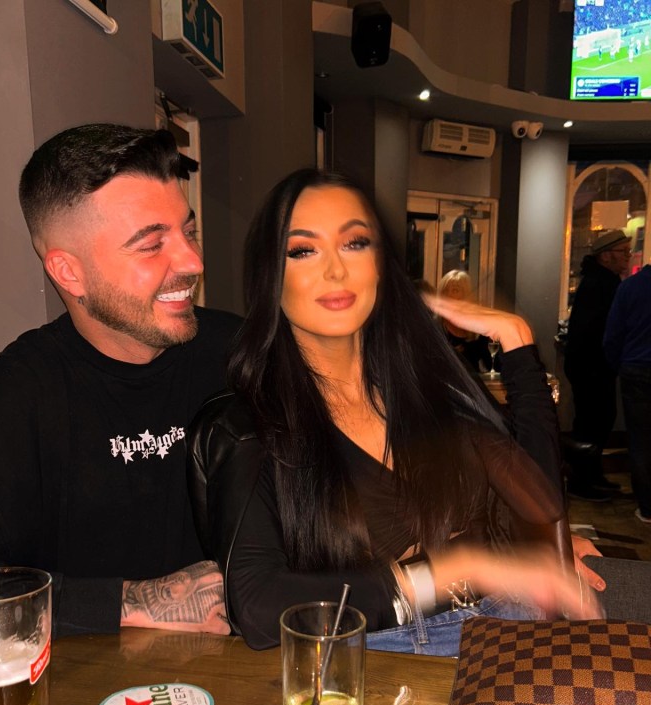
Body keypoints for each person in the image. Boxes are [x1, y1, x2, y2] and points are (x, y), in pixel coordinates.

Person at [188, 169, 600, 653]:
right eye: (302, 250)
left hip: (509, 626)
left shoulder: (426, 393)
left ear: (380, 265)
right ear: (270, 278)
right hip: (383, 658)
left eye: (355, 243)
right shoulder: (248, 426)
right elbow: (257, 607)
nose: (335, 270)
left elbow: (540, 506)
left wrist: (516, 341)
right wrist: (450, 572)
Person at [0, 124, 240, 645]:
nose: (192, 262)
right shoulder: (21, 394)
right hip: (86, 698)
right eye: (150, 244)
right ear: (68, 274)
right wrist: (130, 602)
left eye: (188, 231)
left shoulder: (242, 354)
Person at [563, 228, 631, 501]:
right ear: (605, 257)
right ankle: (583, 480)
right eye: (623, 252)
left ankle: (591, 475)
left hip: (591, 364)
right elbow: (600, 329)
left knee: (596, 421)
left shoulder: (600, 280)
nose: (628, 256)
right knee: (594, 422)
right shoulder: (601, 284)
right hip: (591, 366)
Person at [604, 262, 651, 524]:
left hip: (636, 369)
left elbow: (613, 335)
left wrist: (618, 365)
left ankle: (647, 507)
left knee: (641, 440)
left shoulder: (630, 287)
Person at [436, 270, 493, 374]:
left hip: (472, 385)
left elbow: (490, 364)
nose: (448, 295)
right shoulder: (434, 326)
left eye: (455, 290)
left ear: (465, 295)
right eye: (445, 291)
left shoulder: (477, 327)